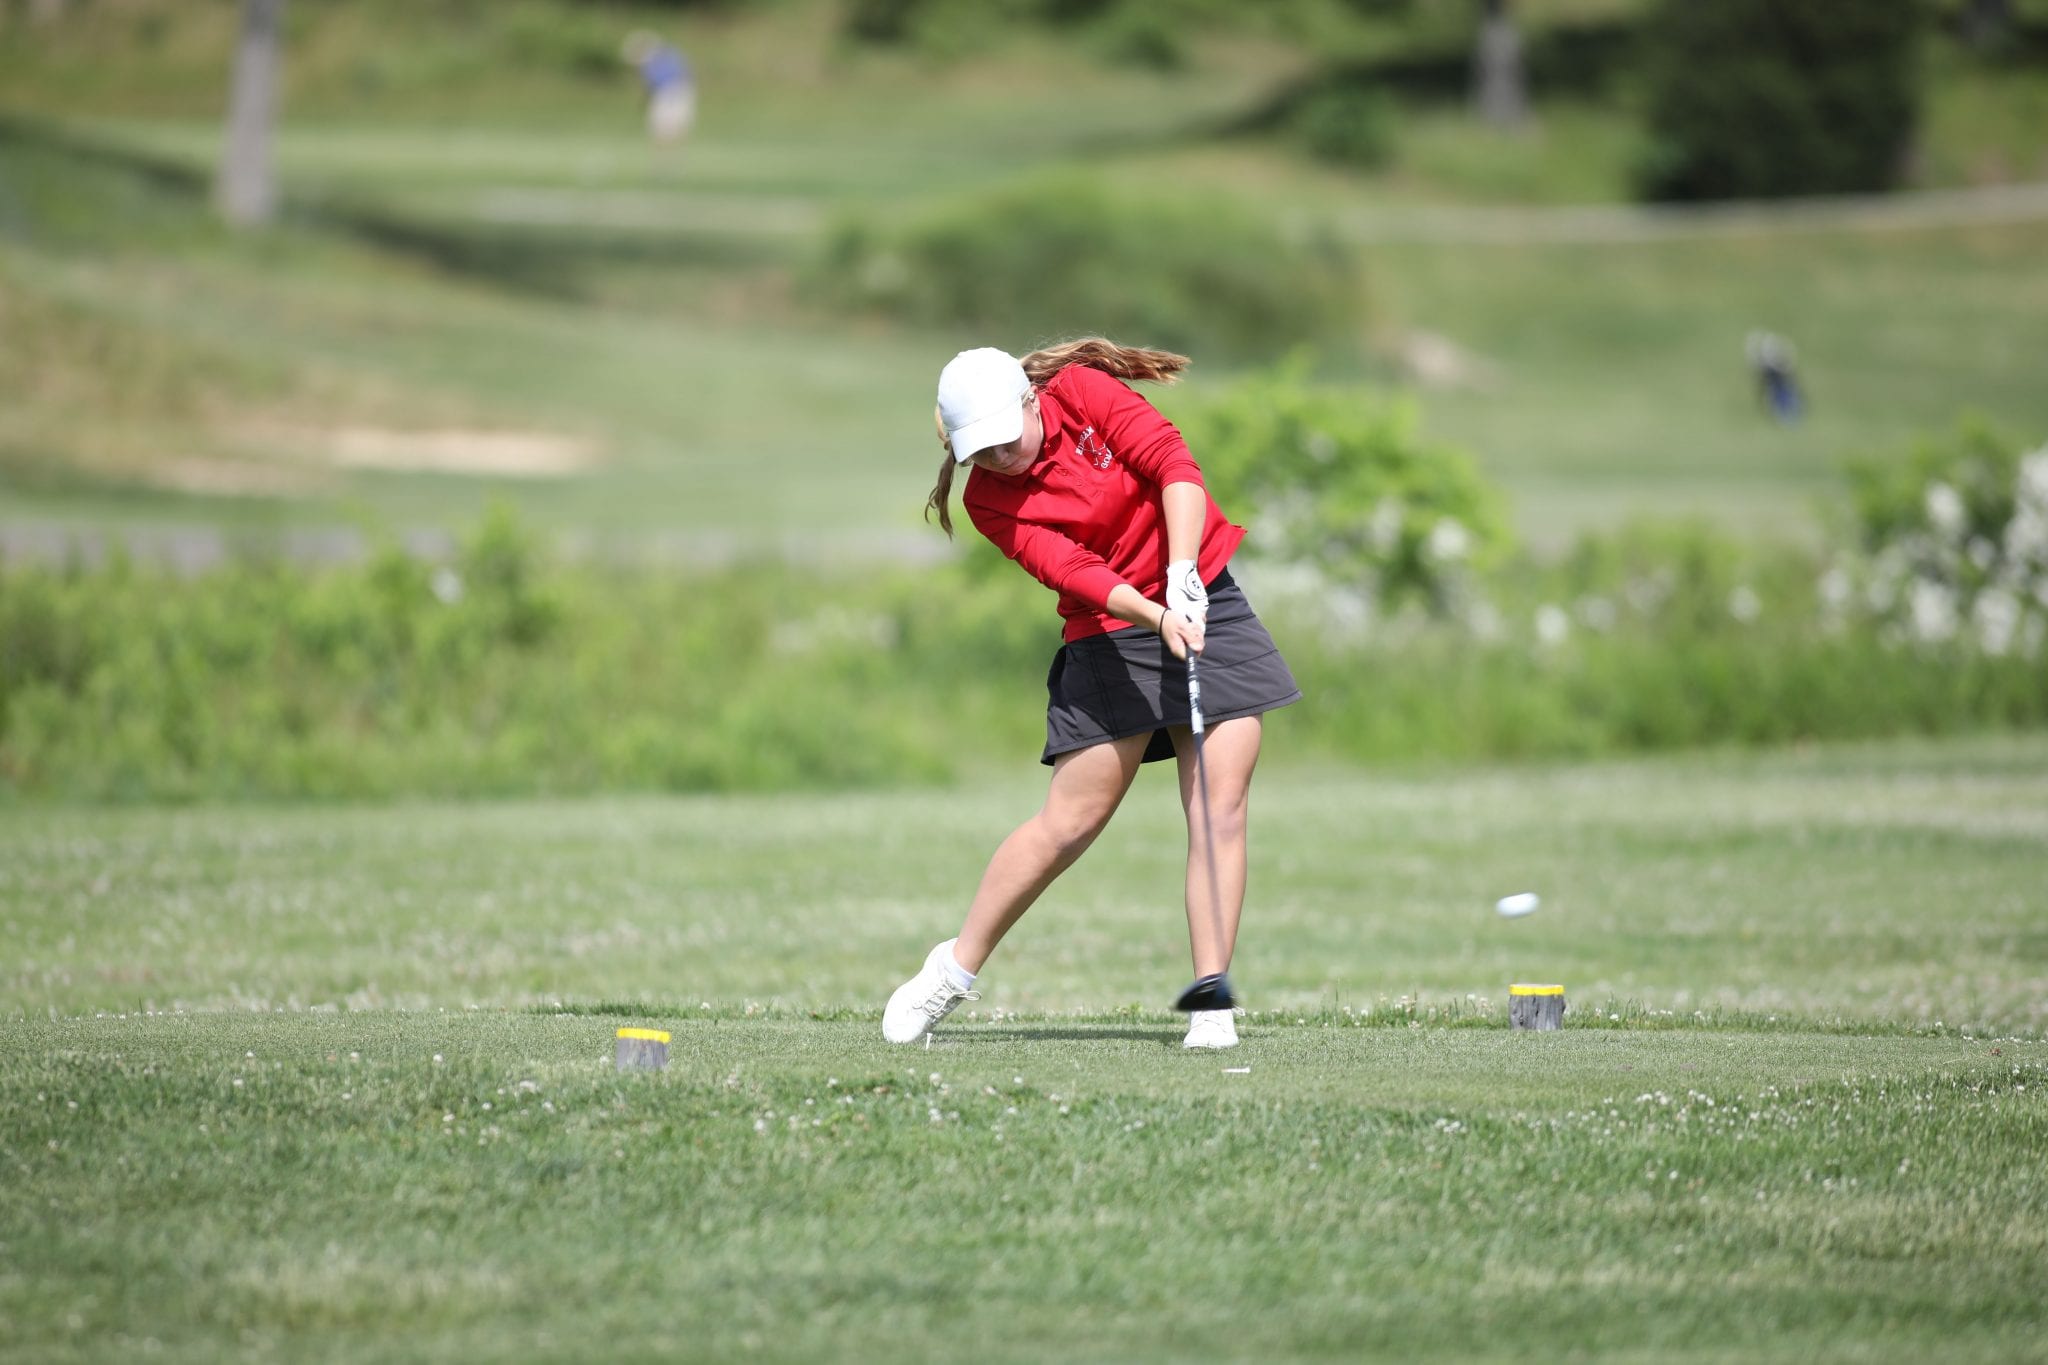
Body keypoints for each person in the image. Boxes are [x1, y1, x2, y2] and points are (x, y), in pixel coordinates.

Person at [883, 339, 1302, 1051]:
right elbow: (1071, 569)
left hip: (1201, 593)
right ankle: (950, 972)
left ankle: (1212, 1004)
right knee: (1069, 823)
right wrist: (1156, 613)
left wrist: (1181, 576)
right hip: (1111, 626)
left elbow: (1173, 464)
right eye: (979, 450)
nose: (999, 458)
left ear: (1029, 400)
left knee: (1218, 808)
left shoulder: (1080, 392)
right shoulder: (988, 499)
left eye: (1005, 438)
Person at [620, 31, 695, 145]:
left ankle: (667, 154)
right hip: (679, 91)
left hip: (672, 92)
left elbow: (652, 85)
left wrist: (645, 100)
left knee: (665, 126)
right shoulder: (669, 54)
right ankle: (669, 154)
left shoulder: (653, 63)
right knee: (671, 126)